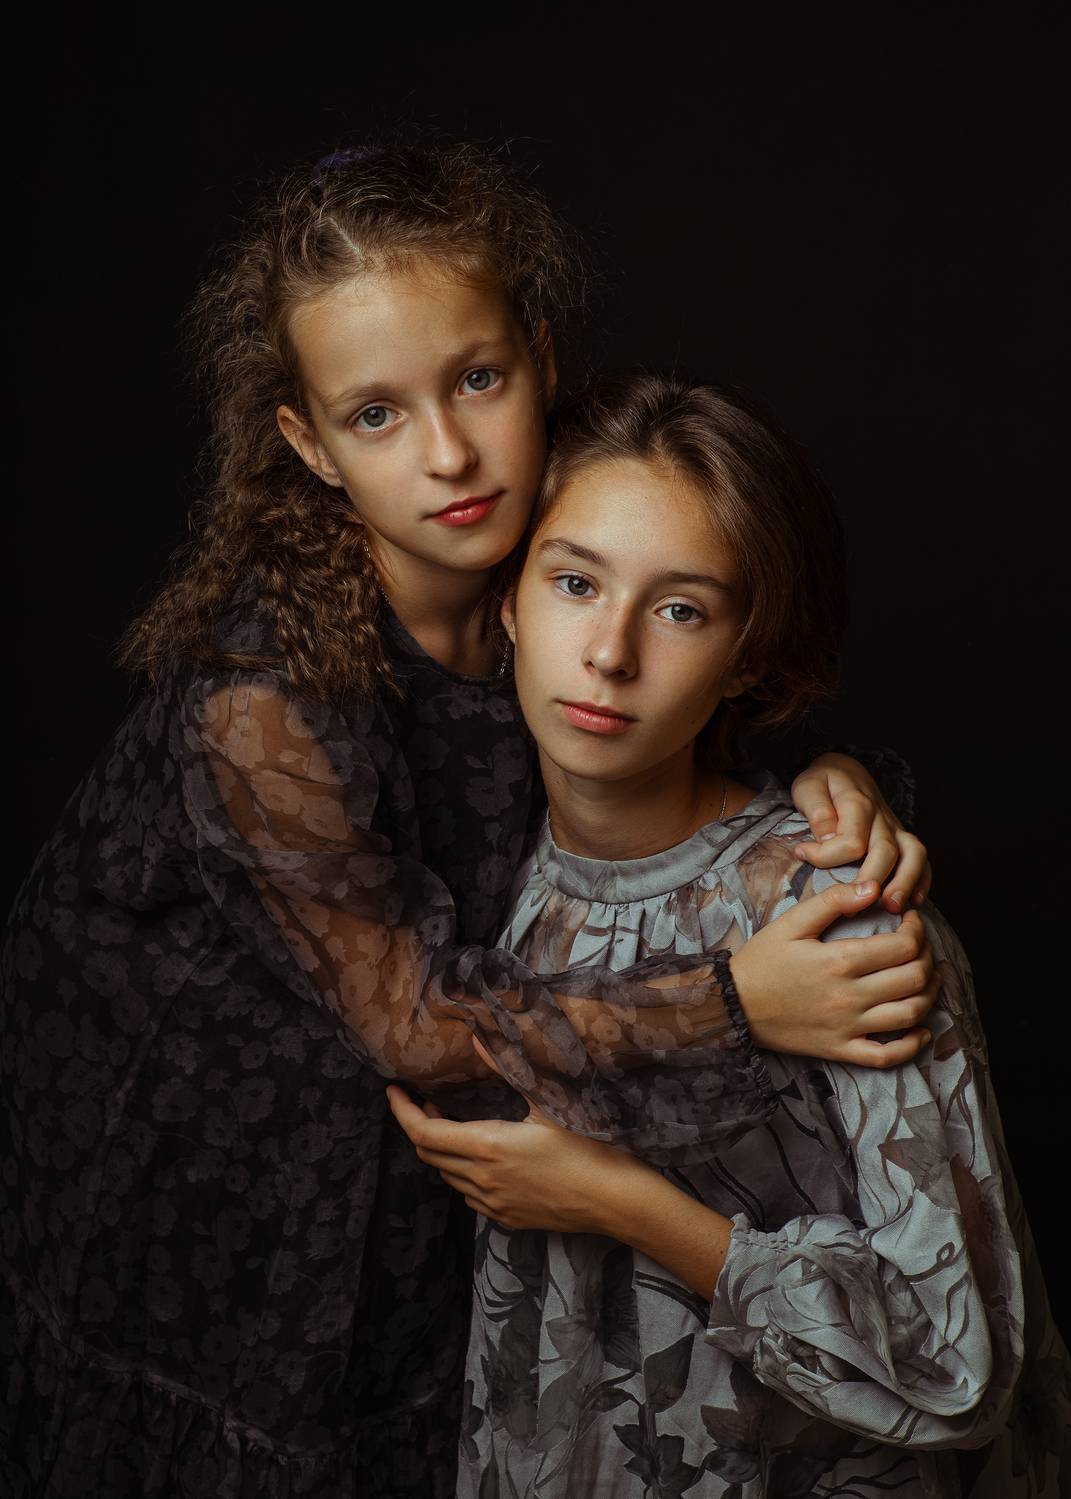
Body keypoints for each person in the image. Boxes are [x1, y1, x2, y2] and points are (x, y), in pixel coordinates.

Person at [2, 145, 934, 1499]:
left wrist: (822, 779)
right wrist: (740, 999)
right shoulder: (263, 699)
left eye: (477, 379)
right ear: (309, 446)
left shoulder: (559, 539)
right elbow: (414, 1019)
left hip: (434, 1145)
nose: (446, 453)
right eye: (375, 414)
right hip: (215, 1154)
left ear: (537, 359)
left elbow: (676, 665)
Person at [390, 373, 1069, 1497]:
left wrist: (617, 1199)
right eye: (574, 582)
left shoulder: (835, 914)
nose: (609, 651)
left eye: (680, 610)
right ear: (507, 600)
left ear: (747, 657)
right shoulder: (468, 855)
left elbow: (959, 1363)